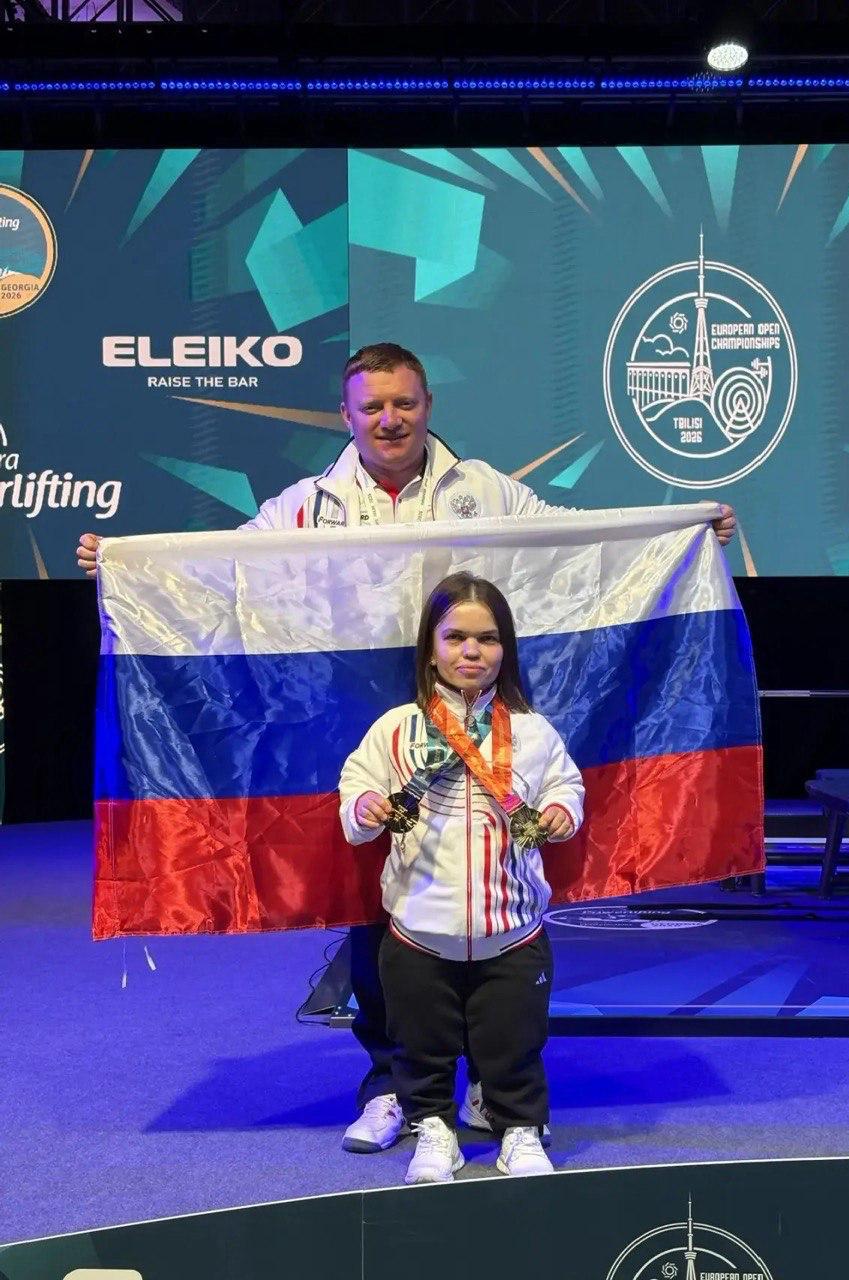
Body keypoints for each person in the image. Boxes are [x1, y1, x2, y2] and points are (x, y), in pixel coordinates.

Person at [77, 341, 738, 1155]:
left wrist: (682, 530)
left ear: (428, 406)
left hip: (475, 720)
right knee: (376, 905)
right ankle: (394, 1087)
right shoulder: (305, 508)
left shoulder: (483, 491)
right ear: (345, 415)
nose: (389, 419)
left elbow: (580, 545)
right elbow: (223, 572)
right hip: (362, 726)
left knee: (487, 893)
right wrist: (128, 565)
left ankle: (497, 1087)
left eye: (405, 403)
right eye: (372, 406)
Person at [339, 572, 583, 1183]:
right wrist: (365, 806)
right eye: (455, 638)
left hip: (513, 930)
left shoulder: (531, 730)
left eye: (487, 639)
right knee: (421, 1044)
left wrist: (562, 810)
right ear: (430, 647)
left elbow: (567, 784)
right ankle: (435, 1131)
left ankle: (519, 1129)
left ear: (506, 649)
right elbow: (355, 784)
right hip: (419, 928)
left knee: (514, 1040)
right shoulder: (396, 727)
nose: (471, 652)